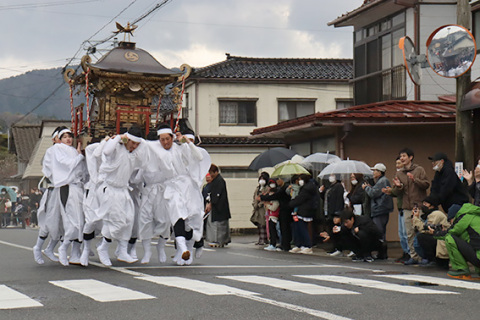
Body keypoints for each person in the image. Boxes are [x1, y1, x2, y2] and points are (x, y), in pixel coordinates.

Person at [96, 126, 149, 266]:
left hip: (123, 191)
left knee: (129, 220)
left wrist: (138, 142)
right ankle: (103, 247)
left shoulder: (134, 154)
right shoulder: (117, 148)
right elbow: (106, 151)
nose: (135, 146)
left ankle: (123, 251)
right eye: (133, 143)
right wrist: (119, 137)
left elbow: (145, 152)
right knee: (114, 221)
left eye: (137, 144)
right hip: (111, 189)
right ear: (127, 139)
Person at [49, 128, 86, 266]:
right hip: (67, 187)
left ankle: (76, 253)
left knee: (81, 221)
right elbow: (68, 164)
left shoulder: (73, 151)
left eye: (69, 136)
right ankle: (64, 248)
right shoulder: (58, 149)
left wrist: (78, 154)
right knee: (72, 220)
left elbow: (80, 169)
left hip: (78, 187)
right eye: (64, 137)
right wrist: (79, 156)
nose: (68, 139)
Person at [391, 148, 430, 265]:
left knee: (421, 231)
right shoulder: (399, 173)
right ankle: (414, 256)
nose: (402, 158)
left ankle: (425, 256)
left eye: (404, 156)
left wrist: (415, 180)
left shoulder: (419, 170)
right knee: (409, 233)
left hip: (419, 205)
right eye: (400, 156)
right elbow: (396, 193)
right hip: (406, 207)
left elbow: (426, 185)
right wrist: (398, 187)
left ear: (410, 157)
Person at [32, 126, 64, 265]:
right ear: (55, 139)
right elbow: (49, 171)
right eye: (62, 137)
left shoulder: (68, 152)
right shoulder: (51, 152)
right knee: (49, 221)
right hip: (54, 191)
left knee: (62, 223)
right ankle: (38, 247)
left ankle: (50, 248)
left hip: (65, 190)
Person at [411, 195, 450, 269]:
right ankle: (429, 259)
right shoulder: (427, 214)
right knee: (419, 237)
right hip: (439, 236)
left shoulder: (436, 214)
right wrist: (416, 217)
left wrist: (416, 219)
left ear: (432, 205)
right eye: (423, 203)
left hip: (442, 237)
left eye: (426, 204)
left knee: (422, 237)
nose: (424, 206)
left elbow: (427, 229)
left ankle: (432, 259)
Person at [443, 203, 480, 279]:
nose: (451, 223)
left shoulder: (465, 218)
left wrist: (435, 233)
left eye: (450, 220)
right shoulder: (476, 216)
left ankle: (462, 269)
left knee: (449, 238)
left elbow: (451, 232)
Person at [363, 163, 393, 254]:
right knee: (380, 231)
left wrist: (366, 188)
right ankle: (381, 252)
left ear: (380, 172)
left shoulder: (382, 181)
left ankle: (382, 253)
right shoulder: (382, 181)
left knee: (379, 232)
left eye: (375, 170)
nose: (373, 172)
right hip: (381, 209)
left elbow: (374, 193)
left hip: (379, 209)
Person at [259, 176, 292, 251]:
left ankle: (286, 245)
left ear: (281, 180)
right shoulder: (281, 188)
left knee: (284, 228)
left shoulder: (285, 188)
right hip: (282, 210)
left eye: (277, 180)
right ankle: (283, 244)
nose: (277, 182)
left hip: (285, 210)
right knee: (282, 228)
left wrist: (262, 198)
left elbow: (275, 196)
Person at [205, 164, 231, 248]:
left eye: (212, 172)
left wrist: (211, 203)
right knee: (217, 224)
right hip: (218, 206)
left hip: (219, 207)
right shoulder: (216, 180)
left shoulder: (219, 181)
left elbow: (217, 195)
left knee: (218, 225)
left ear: (216, 172)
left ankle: (217, 240)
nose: (210, 174)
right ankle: (219, 240)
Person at [289, 174, 316, 254]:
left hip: (304, 211)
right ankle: (299, 244)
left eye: (300, 179)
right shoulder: (305, 188)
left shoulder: (307, 189)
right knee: (297, 228)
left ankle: (308, 246)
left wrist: (291, 203)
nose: (299, 181)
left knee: (302, 228)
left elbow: (300, 199)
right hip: (299, 211)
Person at [251, 172, 269, 245]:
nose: (262, 180)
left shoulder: (267, 188)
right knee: (258, 223)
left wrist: (260, 204)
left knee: (263, 223)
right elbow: (254, 197)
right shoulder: (258, 188)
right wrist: (254, 204)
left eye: (263, 179)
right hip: (257, 209)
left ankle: (264, 239)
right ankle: (260, 239)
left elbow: (266, 198)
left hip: (263, 208)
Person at [263, 179, 280, 251]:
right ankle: (272, 243)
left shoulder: (275, 200)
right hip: (270, 216)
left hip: (274, 216)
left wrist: (267, 205)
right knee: (271, 230)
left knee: (273, 230)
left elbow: (273, 208)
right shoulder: (271, 200)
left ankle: (273, 244)